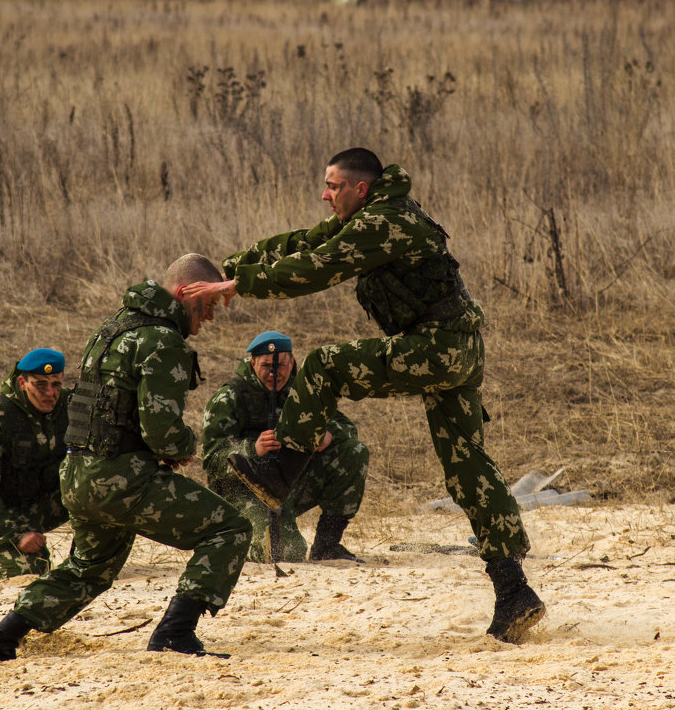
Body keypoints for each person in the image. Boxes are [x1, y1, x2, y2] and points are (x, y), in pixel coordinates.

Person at [183, 148, 546, 644]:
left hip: (438, 347)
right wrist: (232, 269)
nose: (324, 194)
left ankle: (281, 469)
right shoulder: (371, 215)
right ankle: (513, 590)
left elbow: (316, 268)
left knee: (323, 367)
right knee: (467, 465)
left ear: (361, 188)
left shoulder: (385, 223)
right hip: (457, 348)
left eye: (333, 186)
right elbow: (305, 242)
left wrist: (239, 284)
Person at [0, 254, 252, 663]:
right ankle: (175, 631)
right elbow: (162, 430)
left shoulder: (113, 327)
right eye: (207, 306)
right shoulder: (162, 340)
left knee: (90, 567)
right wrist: (184, 448)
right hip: (122, 479)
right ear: (185, 292)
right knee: (230, 529)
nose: (209, 318)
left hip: (79, 476)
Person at [202, 331, 368, 564]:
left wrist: (327, 435)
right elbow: (211, 460)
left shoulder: (303, 391)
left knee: (353, 451)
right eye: (267, 365)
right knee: (286, 553)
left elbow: (345, 427)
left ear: (292, 362)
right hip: (246, 492)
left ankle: (327, 546)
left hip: (289, 483)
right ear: (252, 363)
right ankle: (234, 544)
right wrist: (252, 449)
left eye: (281, 365)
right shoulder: (230, 398)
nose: (274, 373)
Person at [0, 348, 71, 579]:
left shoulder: (70, 407)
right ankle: (0, 549)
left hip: (53, 501)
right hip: (9, 512)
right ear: (22, 382)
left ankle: (89, 558)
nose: (50, 393)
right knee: (26, 573)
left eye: (56, 384)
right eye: (40, 385)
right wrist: (15, 534)